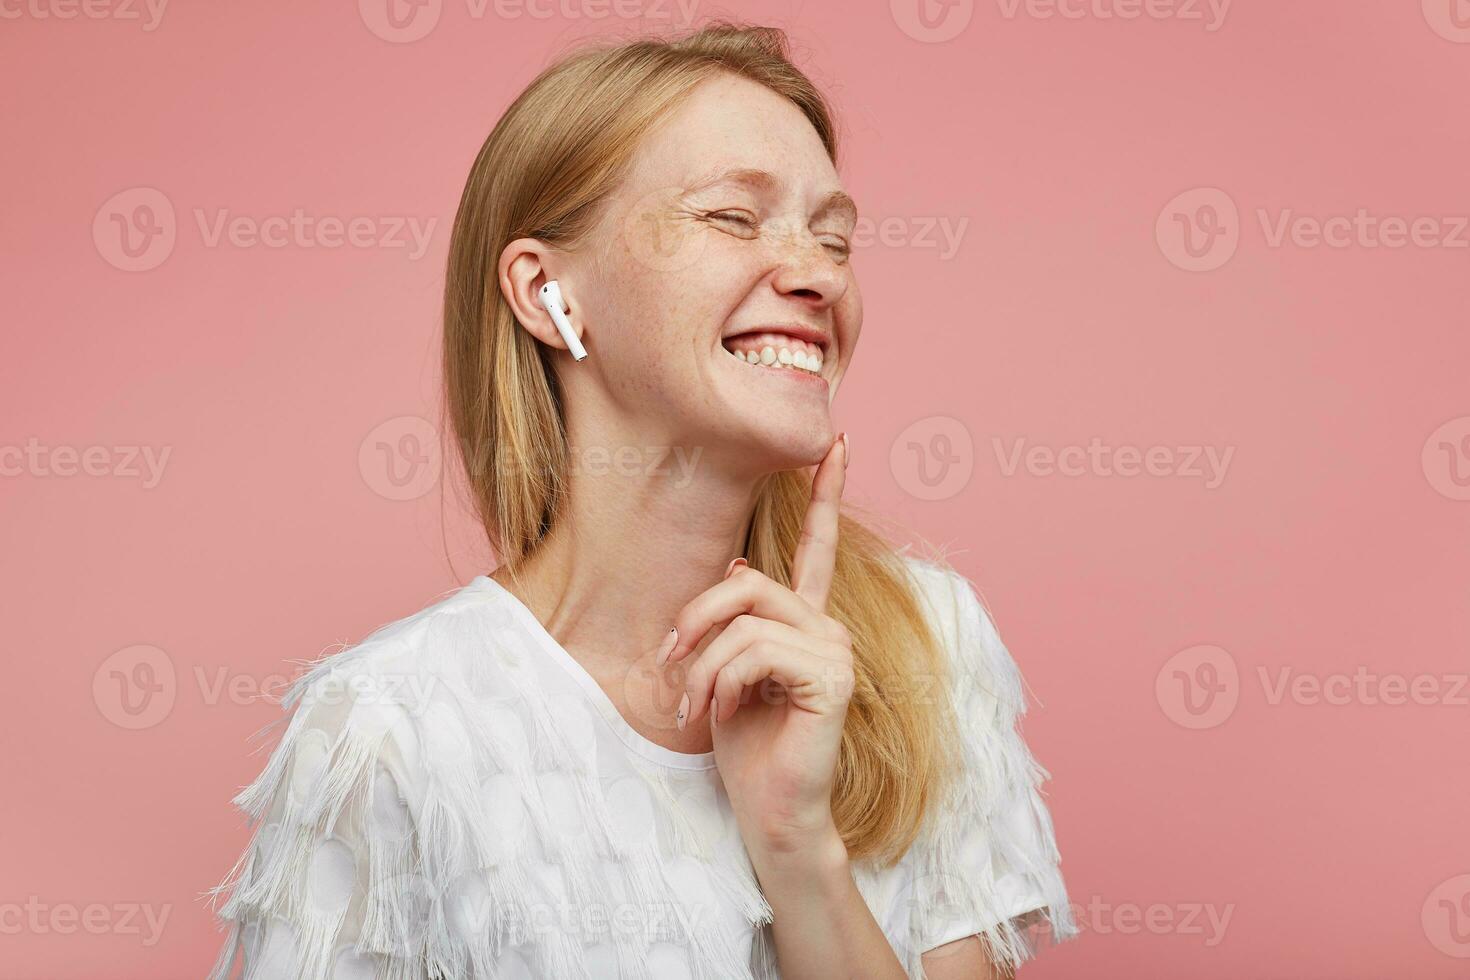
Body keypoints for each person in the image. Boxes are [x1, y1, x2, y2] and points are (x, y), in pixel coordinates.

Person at [204, 21, 1077, 980]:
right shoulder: (391, 730)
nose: (820, 274)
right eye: (733, 219)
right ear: (549, 297)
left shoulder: (926, 642)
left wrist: (798, 852)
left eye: (835, 238)